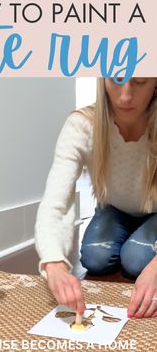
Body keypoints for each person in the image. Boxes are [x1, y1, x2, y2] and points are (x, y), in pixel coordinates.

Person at [35, 78, 157, 319]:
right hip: (114, 207)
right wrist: (54, 264)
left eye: (140, 82)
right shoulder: (81, 125)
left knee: (136, 259)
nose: (125, 96)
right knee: (95, 258)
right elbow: (55, 205)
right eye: (116, 79)